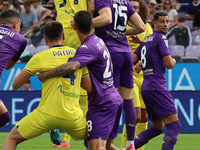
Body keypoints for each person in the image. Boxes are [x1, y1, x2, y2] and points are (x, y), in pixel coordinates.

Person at [38, 10, 123, 150]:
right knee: (109, 146)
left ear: (75, 27)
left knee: (96, 147)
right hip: (113, 98)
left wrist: (46, 75)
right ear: (93, 25)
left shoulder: (86, 47)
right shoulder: (98, 40)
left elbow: (71, 66)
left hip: (103, 103)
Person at [2, 21, 92, 150]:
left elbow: (15, 85)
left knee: (12, 138)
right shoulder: (77, 54)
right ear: (64, 36)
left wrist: (34, 73)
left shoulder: (39, 57)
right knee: (95, 139)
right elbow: (88, 87)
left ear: (45, 38)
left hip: (45, 115)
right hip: (72, 116)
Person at [91, 0, 146, 149]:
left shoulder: (104, 0)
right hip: (126, 52)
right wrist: (121, 32)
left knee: (111, 99)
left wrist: (85, 22)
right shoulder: (125, 2)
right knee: (127, 100)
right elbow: (141, 27)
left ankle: (108, 141)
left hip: (110, 51)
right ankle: (130, 144)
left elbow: (106, 18)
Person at [132, 12, 181, 150]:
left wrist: (140, 65)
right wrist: (174, 60)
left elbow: (131, 60)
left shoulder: (147, 41)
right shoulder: (161, 39)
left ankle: (127, 149)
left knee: (157, 127)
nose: (165, 24)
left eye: (167, 21)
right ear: (155, 24)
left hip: (146, 89)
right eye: (162, 22)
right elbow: (169, 64)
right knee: (174, 126)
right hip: (156, 87)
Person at [121, 0, 153, 150]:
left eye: (135, 7)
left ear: (140, 10)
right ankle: (125, 147)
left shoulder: (146, 27)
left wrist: (143, 62)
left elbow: (152, 50)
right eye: (130, 7)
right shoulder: (120, 27)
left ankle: (138, 148)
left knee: (145, 117)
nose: (132, 9)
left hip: (145, 75)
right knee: (135, 115)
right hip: (128, 74)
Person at [0, 10, 27, 128]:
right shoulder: (21, 40)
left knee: (5, 117)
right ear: (16, 24)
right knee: (5, 118)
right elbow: (8, 66)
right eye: (20, 25)